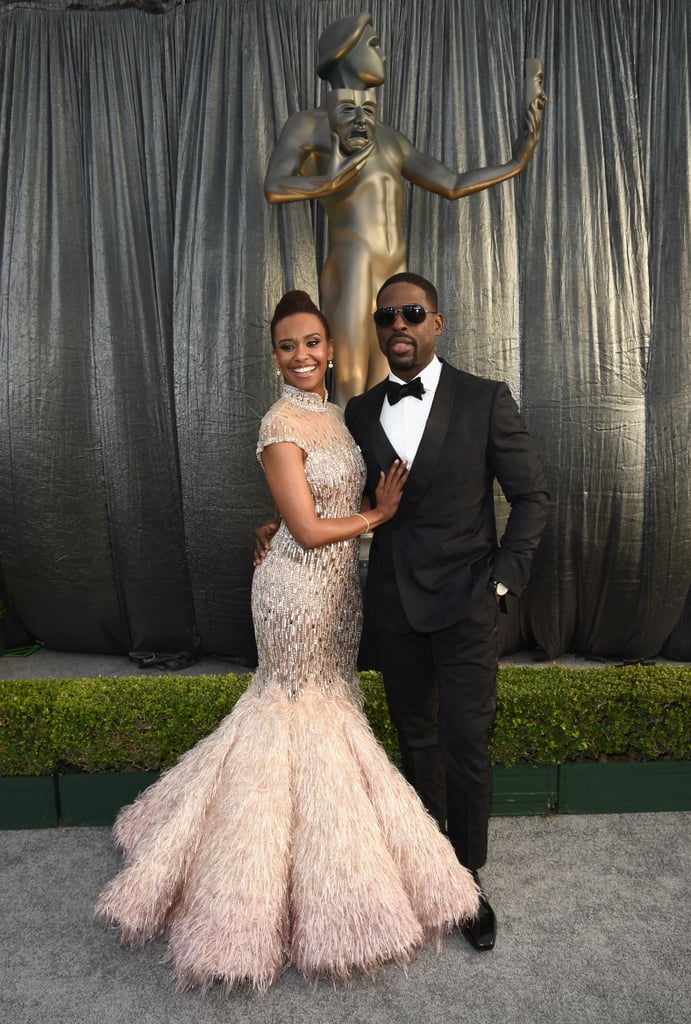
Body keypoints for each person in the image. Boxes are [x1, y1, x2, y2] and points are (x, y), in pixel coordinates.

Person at [95, 290, 479, 993]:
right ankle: (262, 891)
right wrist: (376, 513)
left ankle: (319, 871)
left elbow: (295, 510)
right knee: (295, 712)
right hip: (295, 595)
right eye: (286, 346)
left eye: (310, 343)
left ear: (330, 349)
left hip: (338, 594)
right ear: (274, 355)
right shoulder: (278, 422)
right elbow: (305, 529)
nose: (300, 355)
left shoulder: (334, 415)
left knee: (327, 702)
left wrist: (278, 521)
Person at [345, 272, 550, 951]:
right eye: (385, 317)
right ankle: (428, 864)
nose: (396, 325)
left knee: (465, 741)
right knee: (417, 737)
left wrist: (500, 584)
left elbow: (531, 498)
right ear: (377, 330)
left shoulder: (485, 400)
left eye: (410, 313)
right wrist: (276, 527)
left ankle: (465, 882)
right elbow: (339, 501)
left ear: (436, 322)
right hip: (395, 603)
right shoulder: (358, 411)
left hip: (467, 602)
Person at [264, 13, 547, 404]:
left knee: (387, 384)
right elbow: (275, 186)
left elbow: (451, 184)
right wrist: (328, 184)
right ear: (345, 49)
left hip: (393, 272)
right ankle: (345, 466)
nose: (381, 52)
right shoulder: (310, 125)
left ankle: (381, 465)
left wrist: (518, 160)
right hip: (352, 265)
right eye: (373, 43)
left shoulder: (391, 138)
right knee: (349, 380)